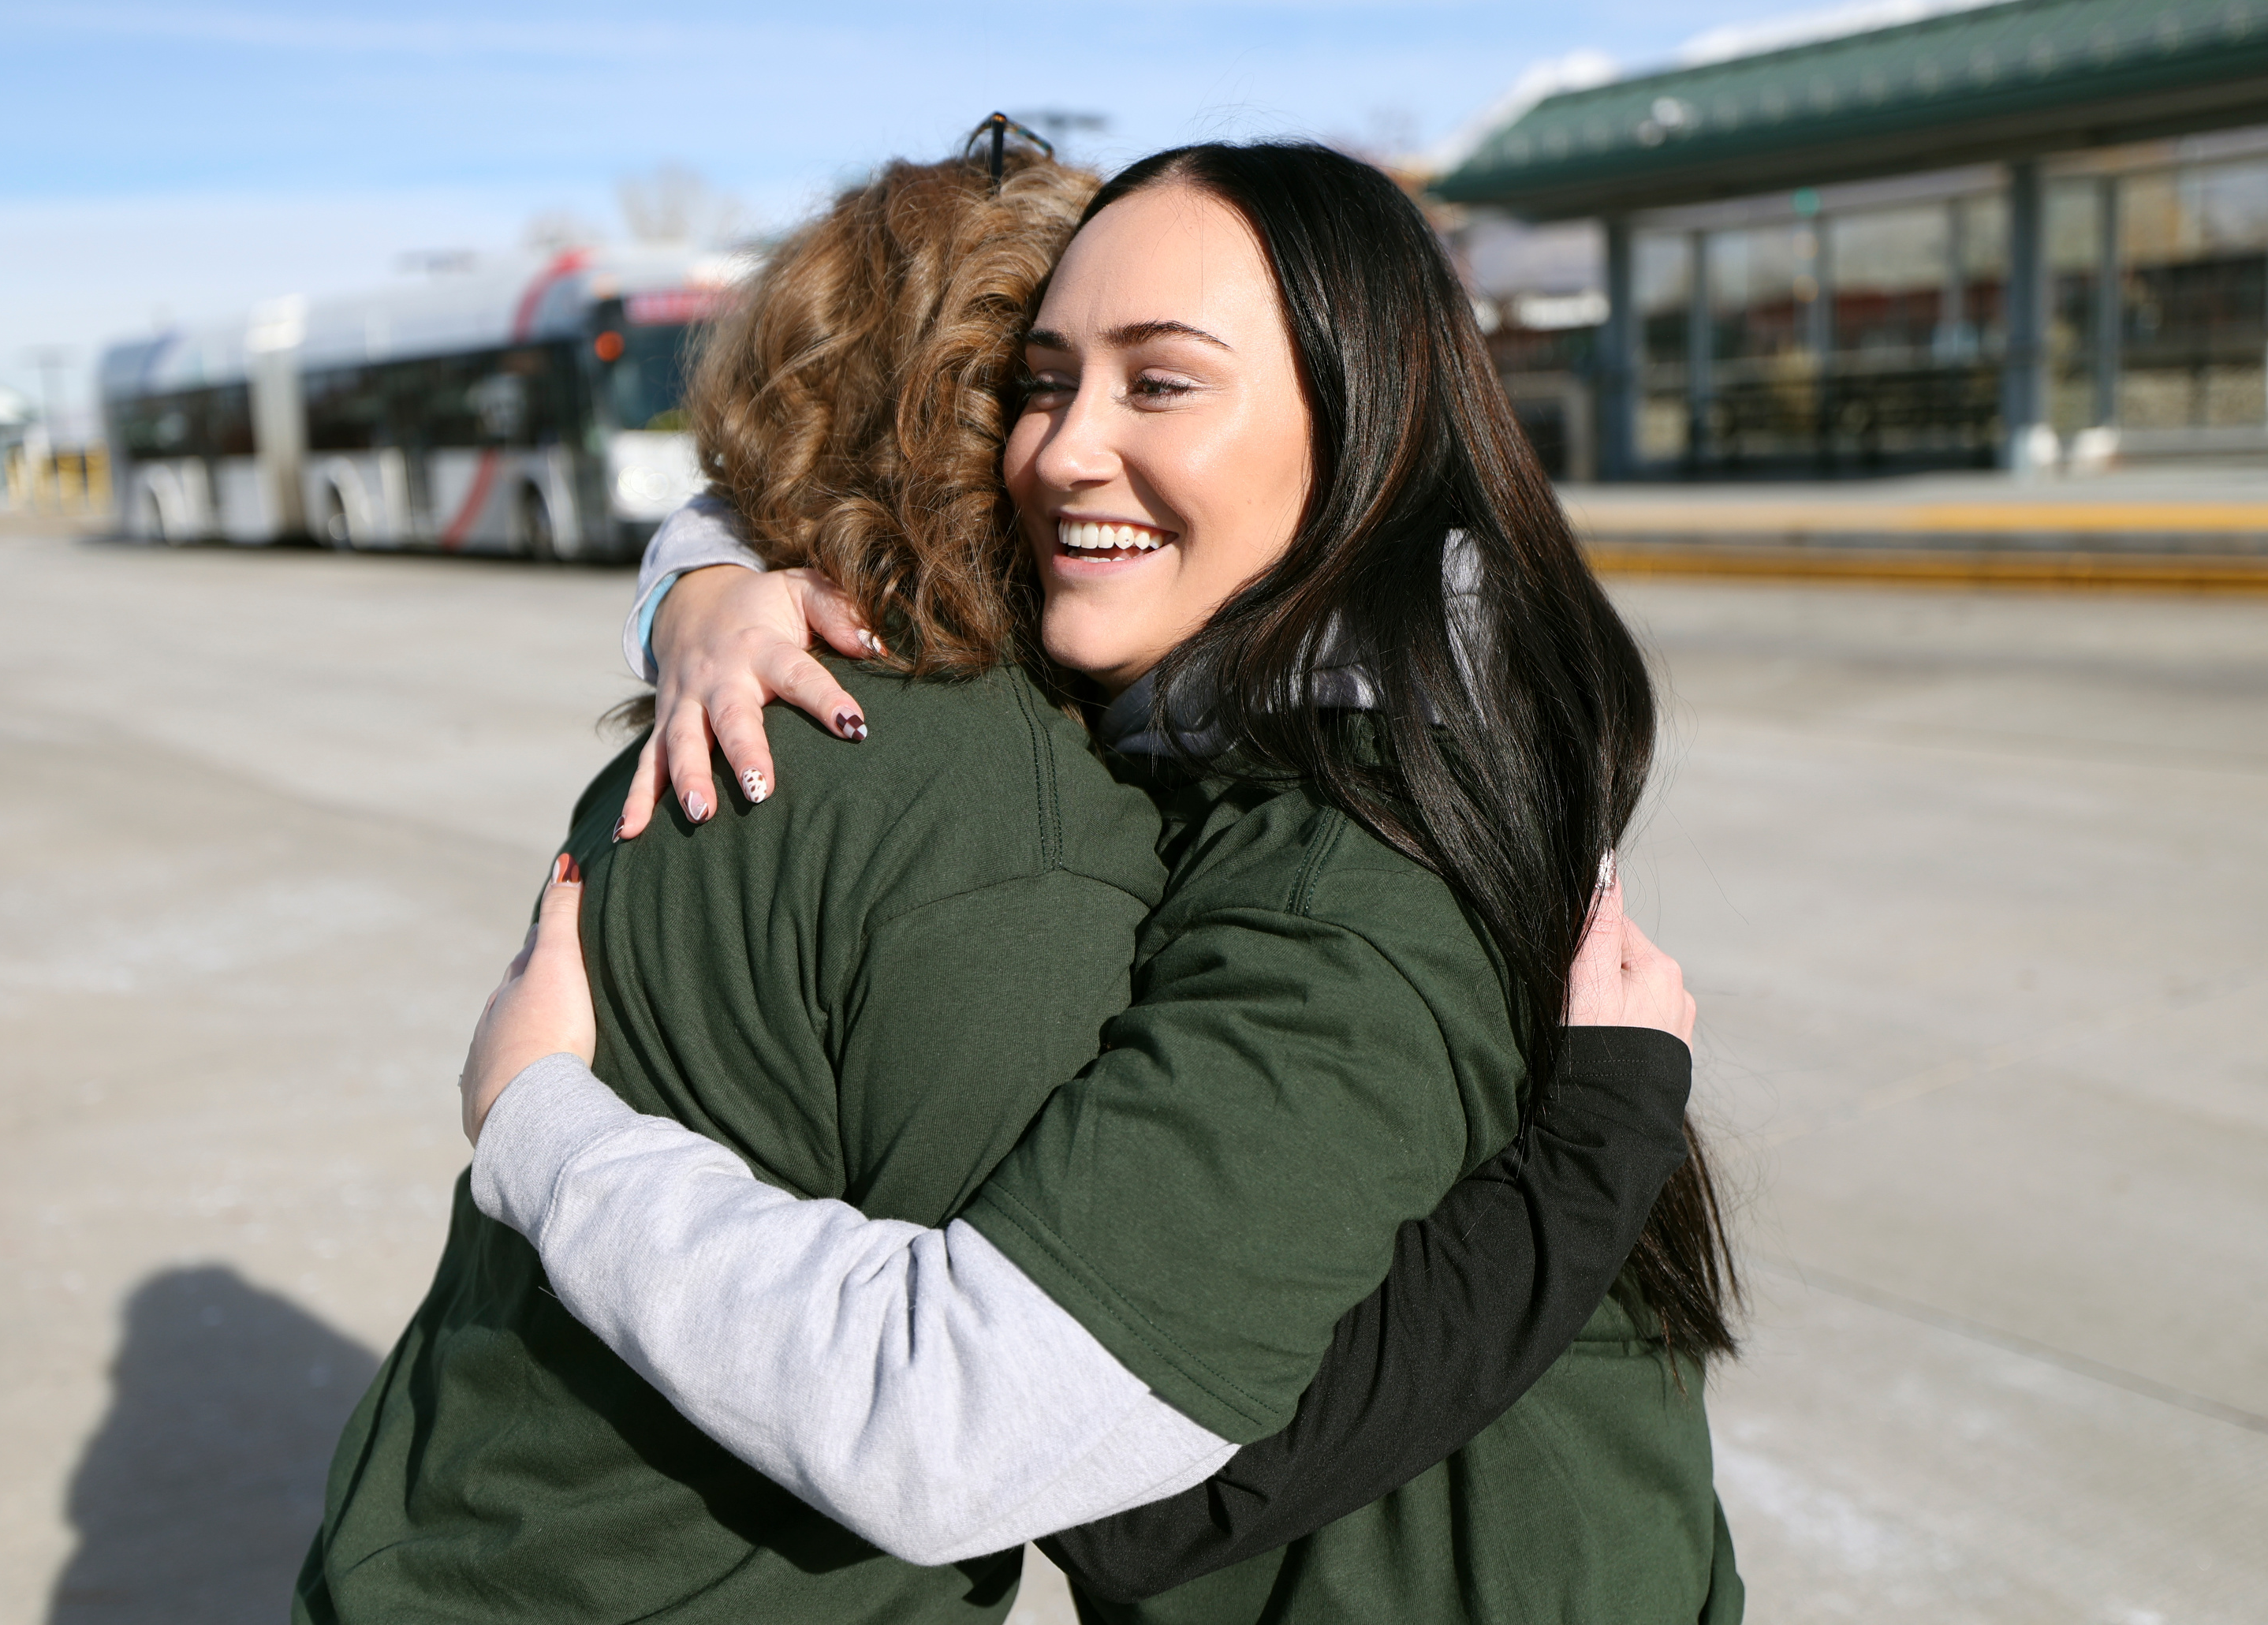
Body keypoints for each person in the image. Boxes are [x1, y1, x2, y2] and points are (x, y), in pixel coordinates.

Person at [297, 140, 1707, 1624]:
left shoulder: (1331, 851)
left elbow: (1060, 1461)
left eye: (1160, 380)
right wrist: (698, 585)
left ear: (1367, 421)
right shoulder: (1159, 741)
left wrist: (537, 1127)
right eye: (1036, 385)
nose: (1064, 446)